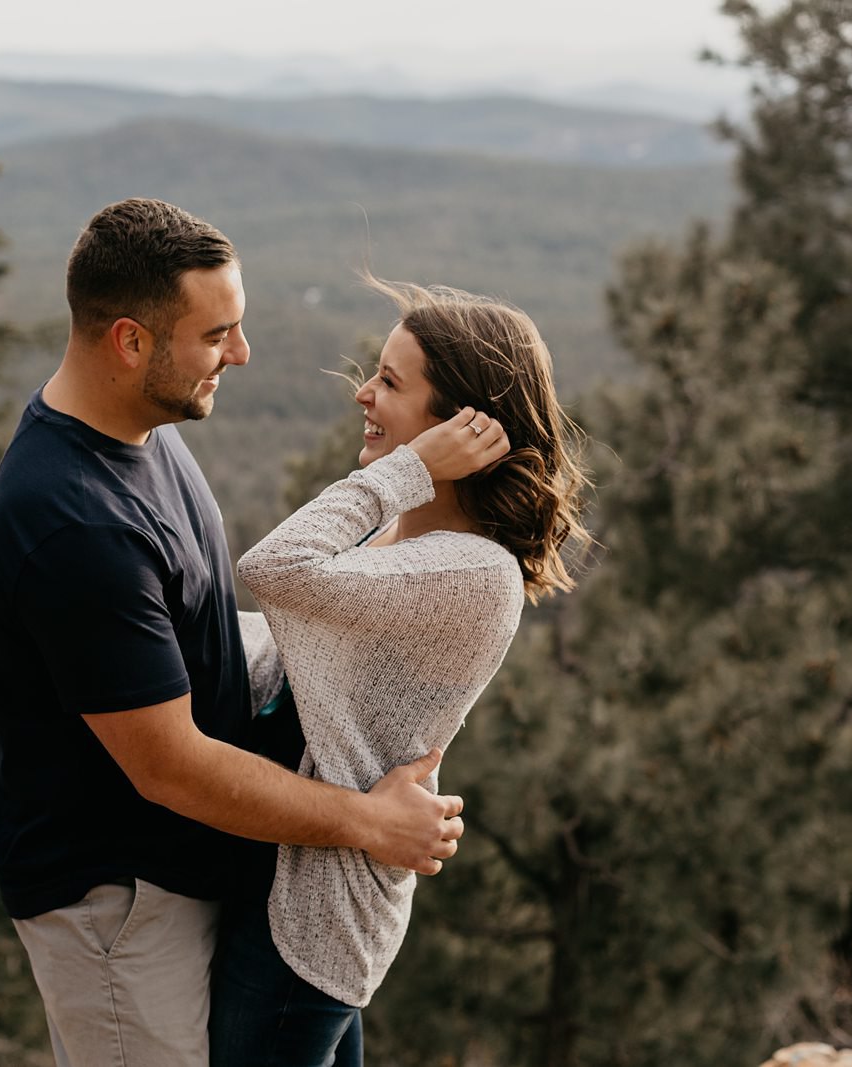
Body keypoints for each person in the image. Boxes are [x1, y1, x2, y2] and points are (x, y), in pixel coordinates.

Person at [0, 200, 467, 1067]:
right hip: (119, 912)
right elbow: (170, 765)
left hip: (177, 879)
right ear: (130, 341)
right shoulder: (73, 525)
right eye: (218, 335)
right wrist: (366, 822)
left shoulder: (140, 433)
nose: (240, 354)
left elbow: (189, 634)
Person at [210, 278, 592, 1066]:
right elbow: (295, 655)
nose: (363, 392)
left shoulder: (470, 570)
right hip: (296, 882)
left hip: (308, 921)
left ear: (457, 426)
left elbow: (272, 566)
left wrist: (406, 468)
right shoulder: (402, 539)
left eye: (389, 380)